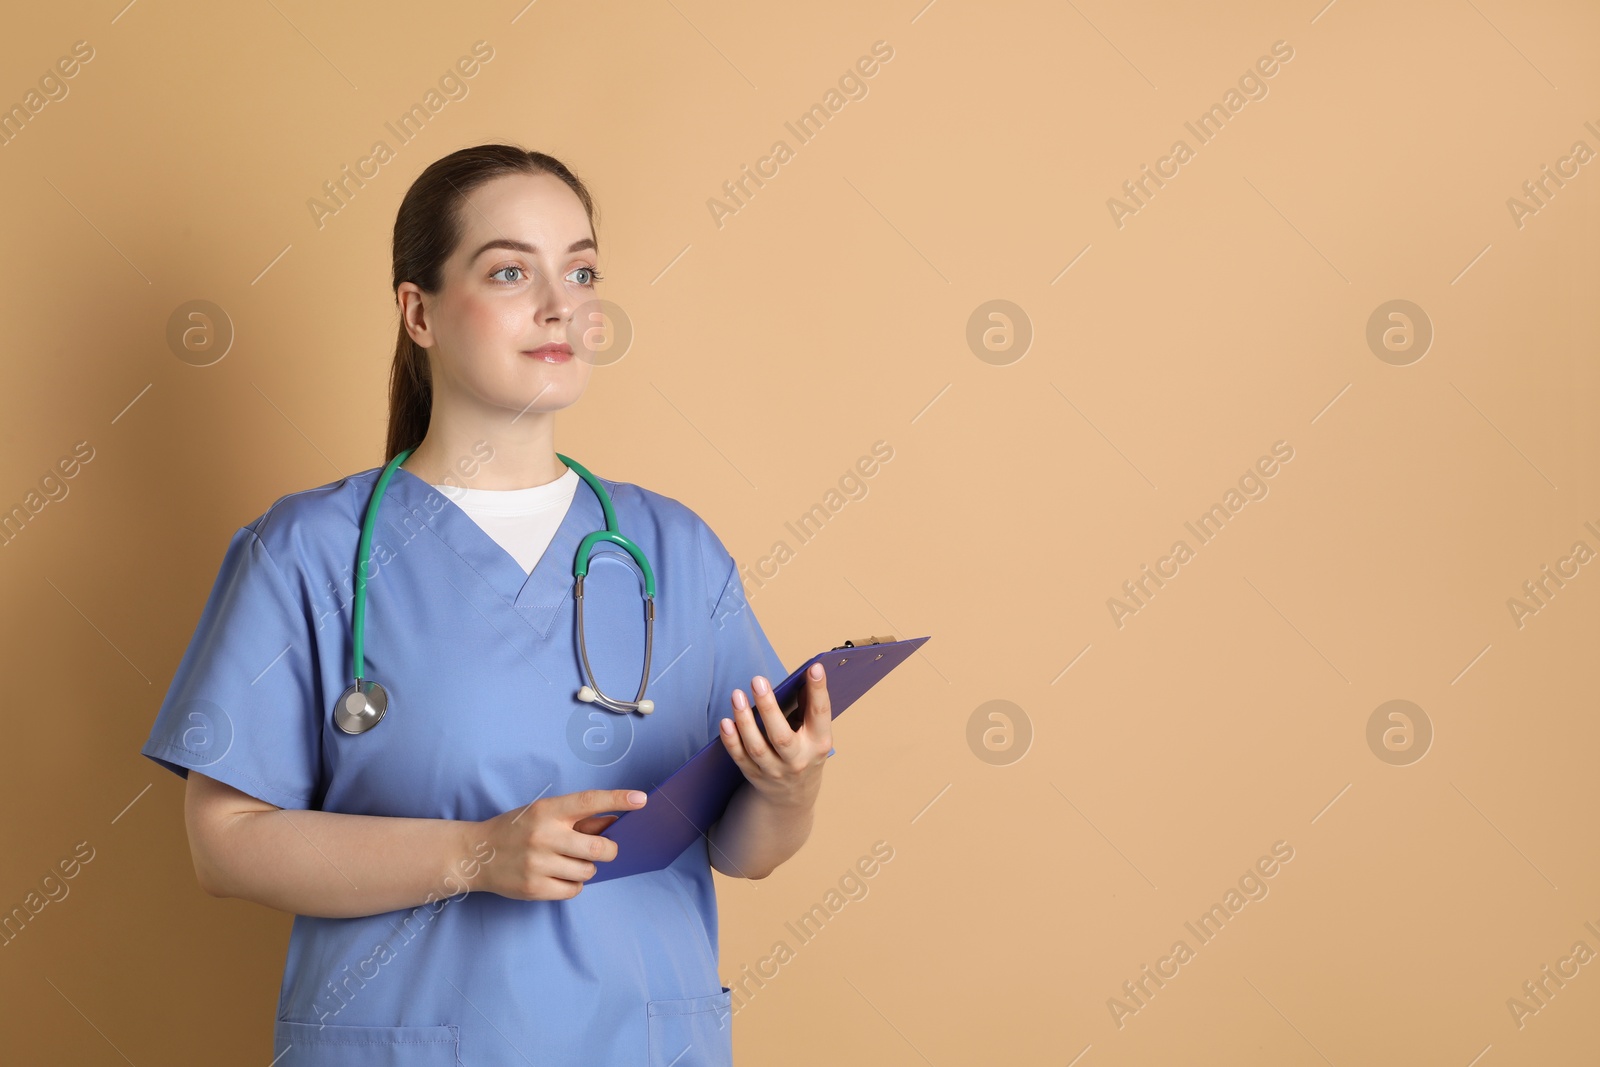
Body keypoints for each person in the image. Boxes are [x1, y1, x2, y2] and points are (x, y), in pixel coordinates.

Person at [139, 143, 835, 1066]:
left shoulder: (675, 551)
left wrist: (791, 788)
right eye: (511, 270)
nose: (561, 305)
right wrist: (474, 853)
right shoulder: (310, 552)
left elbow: (744, 850)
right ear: (417, 312)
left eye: (581, 271)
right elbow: (224, 845)